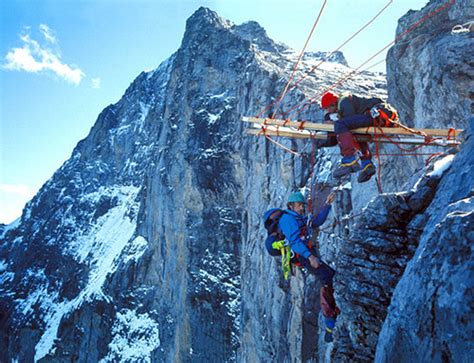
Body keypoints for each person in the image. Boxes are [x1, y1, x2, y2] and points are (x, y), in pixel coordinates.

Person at [269, 191, 340, 342]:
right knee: (327, 278)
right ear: (291, 205)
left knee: (330, 277)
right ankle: (330, 323)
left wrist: (327, 204)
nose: (302, 207)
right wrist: (311, 257)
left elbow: (317, 222)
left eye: (302, 205)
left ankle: (332, 315)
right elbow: (294, 242)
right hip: (303, 255)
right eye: (299, 205)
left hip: (306, 254)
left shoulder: (299, 218)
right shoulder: (288, 219)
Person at [320, 91, 397, 183]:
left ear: (332, 104)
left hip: (376, 114)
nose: (328, 111)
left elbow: (348, 122)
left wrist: (335, 123)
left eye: (327, 108)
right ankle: (367, 165)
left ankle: (349, 160)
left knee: (342, 125)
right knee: (354, 132)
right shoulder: (345, 102)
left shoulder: (344, 101)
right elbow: (352, 127)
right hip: (379, 115)